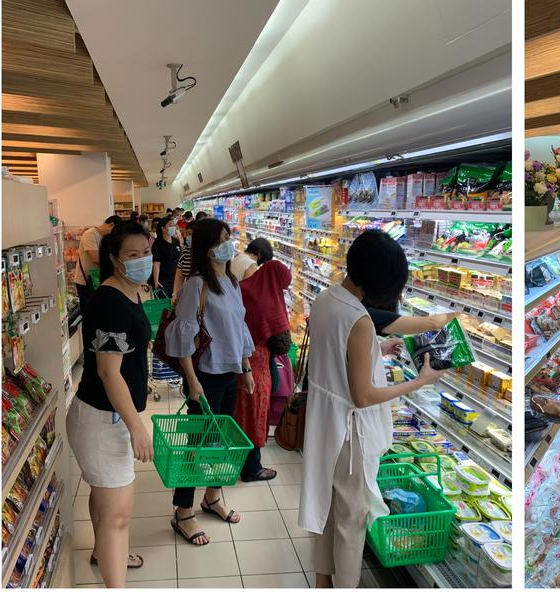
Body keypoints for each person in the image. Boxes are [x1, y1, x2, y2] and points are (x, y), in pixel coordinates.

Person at [298, 230, 444, 588]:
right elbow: (362, 396)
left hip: (324, 423)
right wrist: (420, 382)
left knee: (329, 509)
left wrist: (380, 350)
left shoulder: (327, 297)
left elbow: (338, 355)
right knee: (352, 520)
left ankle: (322, 583)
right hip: (351, 434)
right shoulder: (361, 322)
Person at [66, 221, 156, 586]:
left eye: (146, 253)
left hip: (107, 417)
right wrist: (137, 427)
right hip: (104, 422)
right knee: (118, 517)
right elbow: (108, 372)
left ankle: (101, 551)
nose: (143, 260)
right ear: (115, 260)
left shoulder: (132, 290)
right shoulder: (110, 301)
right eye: (132, 256)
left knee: (104, 504)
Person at [164, 219, 255, 546]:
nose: (227, 244)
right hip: (204, 377)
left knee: (222, 442)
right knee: (195, 445)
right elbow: (183, 334)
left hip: (229, 373)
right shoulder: (196, 286)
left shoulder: (231, 282)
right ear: (205, 247)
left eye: (229, 238)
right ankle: (183, 512)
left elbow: (239, 328)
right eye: (220, 240)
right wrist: (192, 380)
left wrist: (245, 367)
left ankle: (212, 496)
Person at [235, 238, 291, 482]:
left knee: (243, 410)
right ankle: (252, 467)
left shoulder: (250, 286)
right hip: (254, 361)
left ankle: (242, 461)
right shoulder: (264, 297)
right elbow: (276, 333)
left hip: (242, 357)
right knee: (256, 410)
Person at [73, 215, 123, 310]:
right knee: (89, 312)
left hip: (97, 280)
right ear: (111, 225)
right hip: (86, 281)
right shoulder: (90, 234)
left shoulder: (105, 237)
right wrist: (116, 264)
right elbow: (95, 258)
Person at [150, 216, 181, 297]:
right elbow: (156, 264)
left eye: (174, 225)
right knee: (165, 306)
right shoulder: (158, 243)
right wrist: (156, 281)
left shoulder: (175, 241)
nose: (173, 227)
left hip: (175, 279)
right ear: (163, 228)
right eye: (170, 225)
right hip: (163, 280)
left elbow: (179, 260)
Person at [172, 221, 196, 303]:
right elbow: (179, 276)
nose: (187, 237)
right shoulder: (186, 251)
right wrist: (175, 293)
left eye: (190, 234)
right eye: (187, 234)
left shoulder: (208, 253)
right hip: (189, 296)